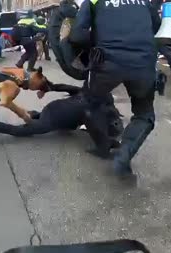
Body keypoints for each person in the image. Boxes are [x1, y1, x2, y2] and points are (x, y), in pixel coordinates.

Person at [69, 0, 161, 178]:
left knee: (89, 103)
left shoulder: (93, 1)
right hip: (143, 64)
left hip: (105, 64)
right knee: (144, 115)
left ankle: (102, 144)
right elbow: (156, 27)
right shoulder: (144, 2)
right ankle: (123, 156)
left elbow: (77, 36)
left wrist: (98, 41)